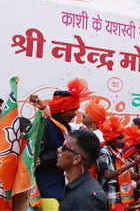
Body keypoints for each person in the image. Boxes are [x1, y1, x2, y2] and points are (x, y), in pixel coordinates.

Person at [36, 78, 93, 211]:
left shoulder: (66, 128)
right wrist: (59, 153)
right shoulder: (44, 125)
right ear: (62, 109)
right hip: (46, 188)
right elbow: (36, 158)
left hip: (63, 188)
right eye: (73, 109)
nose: (75, 114)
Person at [97, 116, 140, 210]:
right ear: (111, 138)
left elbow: (130, 175)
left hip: (119, 198)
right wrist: (131, 164)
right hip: (108, 198)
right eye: (119, 138)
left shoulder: (118, 153)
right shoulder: (104, 152)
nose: (123, 141)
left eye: (123, 138)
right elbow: (107, 175)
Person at [57, 130, 109, 211]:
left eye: (64, 147)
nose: (59, 150)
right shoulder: (76, 188)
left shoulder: (87, 198)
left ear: (76, 159)